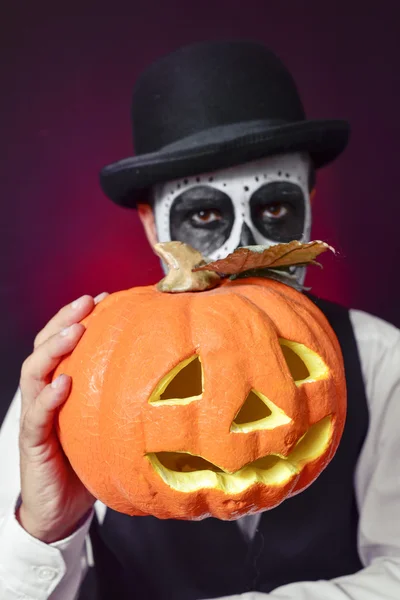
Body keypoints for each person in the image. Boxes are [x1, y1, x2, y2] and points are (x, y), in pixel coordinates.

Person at [1, 40, 400, 600]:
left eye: (276, 208)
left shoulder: (384, 363)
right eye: (207, 214)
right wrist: (45, 529)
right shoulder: (72, 376)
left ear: (311, 201)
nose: (243, 247)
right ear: (151, 225)